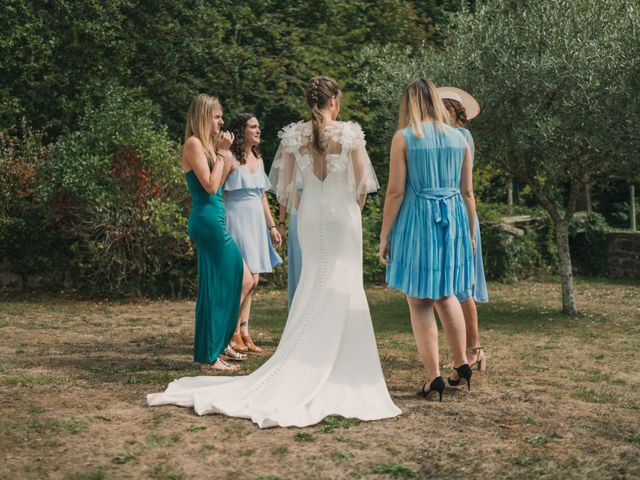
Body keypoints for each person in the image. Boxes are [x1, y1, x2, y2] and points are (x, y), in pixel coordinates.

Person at [148, 76, 401, 428]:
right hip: (344, 217)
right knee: (345, 284)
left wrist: (307, 205)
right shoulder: (350, 134)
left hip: (310, 217)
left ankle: (303, 354)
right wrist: (349, 211)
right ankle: (340, 361)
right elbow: (362, 186)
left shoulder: (293, 136)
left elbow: (284, 191)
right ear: (335, 101)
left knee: (313, 282)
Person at [379, 79, 476, 401]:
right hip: (454, 218)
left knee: (419, 300)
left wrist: (384, 235)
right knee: (447, 293)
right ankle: (462, 362)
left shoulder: (405, 137)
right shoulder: (459, 138)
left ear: (409, 104)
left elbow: (395, 192)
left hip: (418, 219)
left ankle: (433, 376)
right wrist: (471, 232)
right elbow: (467, 192)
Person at [180, 94, 253, 371]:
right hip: (206, 220)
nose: (221, 121)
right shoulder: (193, 144)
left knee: (242, 279)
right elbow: (210, 188)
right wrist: (222, 154)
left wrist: (224, 156)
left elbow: (218, 184)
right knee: (232, 280)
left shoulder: (208, 147)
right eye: (217, 116)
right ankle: (212, 352)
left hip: (216, 217)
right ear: (203, 116)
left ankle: (217, 345)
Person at [437, 86, 488, 372]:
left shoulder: (461, 137)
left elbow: (464, 186)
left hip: (462, 213)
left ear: (454, 111)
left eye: (444, 108)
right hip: (449, 212)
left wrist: (469, 227)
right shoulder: (442, 138)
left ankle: (474, 347)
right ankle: (463, 349)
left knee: (462, 285)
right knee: (450, 288)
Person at [224, 113, 282, 354]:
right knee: (244, 279)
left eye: (258, 126)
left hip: (256, 221)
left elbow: (262, 196)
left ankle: (244, 331)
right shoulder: (228, 157)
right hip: (236, 217)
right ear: (242, 131)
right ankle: (231, 331)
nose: (258, 130)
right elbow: (217, 189)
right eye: (253, 127)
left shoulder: (257, 158)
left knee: (254, 280)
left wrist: (271, 226)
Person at [273, 175, 303, 308]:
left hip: (322, 217)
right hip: (298, 216)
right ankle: (298, 309)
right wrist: (281, 223)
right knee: (299, 263)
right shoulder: (292, 155)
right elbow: (284, 192)